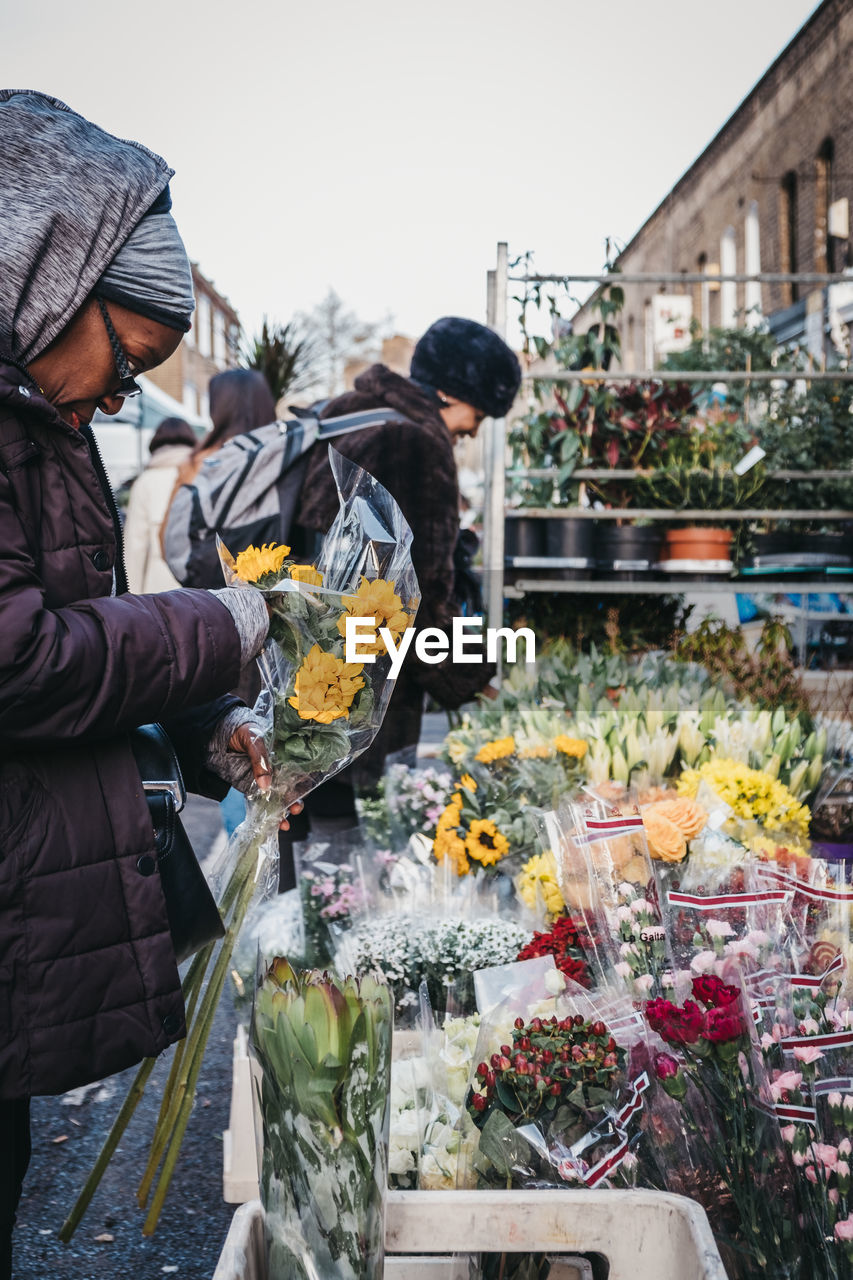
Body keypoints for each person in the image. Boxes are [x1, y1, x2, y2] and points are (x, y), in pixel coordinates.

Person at [0, 90, 287, 1277]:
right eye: (126, 362)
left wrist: (212, 719)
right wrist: (224, 626)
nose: (120, 399)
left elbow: (85, 630)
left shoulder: (40, 422)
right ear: (48, 273)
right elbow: (18, 660)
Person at [281, 316, 521, 882]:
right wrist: (474, 679)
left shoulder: (345, 413)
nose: (472, 432)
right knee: (355, 871)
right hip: (362, 703)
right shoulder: (418, 443)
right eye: (477, 416)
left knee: (300, 864)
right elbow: (422, 602)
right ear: (449, 392)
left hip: (299, 678)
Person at [162, 368, 278, 835]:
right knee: (262, 745)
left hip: (210, 626)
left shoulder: (201, 463)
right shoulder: (286, 463)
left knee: (232, 741)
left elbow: (176, 548)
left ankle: (242, 844)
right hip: (279, 632)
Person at [124, 416, 198, 592]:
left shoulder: (145, 482)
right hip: (200, 590)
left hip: (158, 591)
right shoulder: (201, 476)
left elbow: (135, 549)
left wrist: (130, 600)